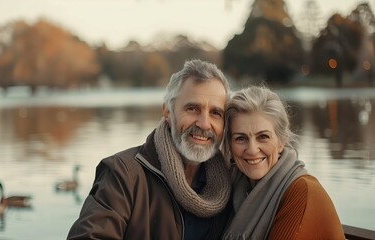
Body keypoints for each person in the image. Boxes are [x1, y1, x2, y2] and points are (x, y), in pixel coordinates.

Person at [67, 59, 233, 240]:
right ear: (167, 112)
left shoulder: (231, 182)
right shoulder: (123, 174)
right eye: (192, 108)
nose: (204, 123)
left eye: (216, 113)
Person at [221, 86, 345, 240]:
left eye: (263, 137)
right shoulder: (235, 189)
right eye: (241, 138)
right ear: (230, 145)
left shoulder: (302, 192)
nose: (252, 150)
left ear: (281, 141)